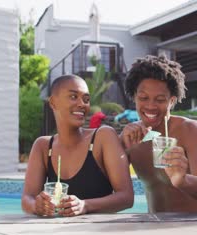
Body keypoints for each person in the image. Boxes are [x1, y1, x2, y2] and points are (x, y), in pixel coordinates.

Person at [22, 74, 133, 217]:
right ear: (53, 102)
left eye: (86, 99)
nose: (82, 104)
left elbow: (126, 197)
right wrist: (37, 206)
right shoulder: (43, 146)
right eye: (74, 97)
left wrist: (85, 205)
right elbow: (27, 198)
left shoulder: (103, 137)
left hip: (99, 234)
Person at [119, 55, 197, 213]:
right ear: (134, 98)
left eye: (160, 99)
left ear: (172, 101)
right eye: (143, 98)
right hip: (153, 228)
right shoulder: (129, 137)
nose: (151, 106)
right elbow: (103, 182)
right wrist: (121, 145)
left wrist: (182, 180)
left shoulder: (191, 130)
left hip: (194, 226)